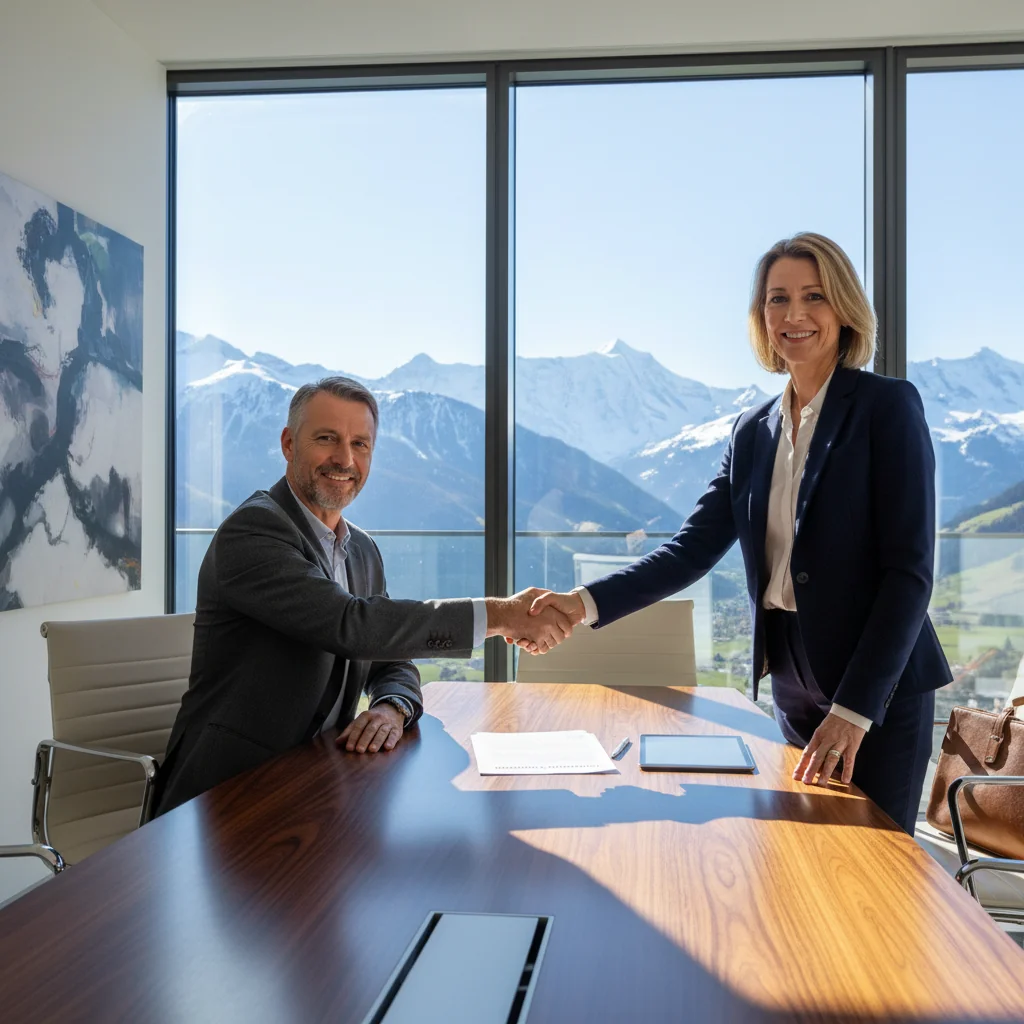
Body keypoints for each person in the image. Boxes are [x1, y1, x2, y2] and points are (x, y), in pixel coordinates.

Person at [525, 233, 952, 834]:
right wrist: (581, 604)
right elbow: (690, 550)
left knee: (878, 875)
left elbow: (909, 573)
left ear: (845, 310)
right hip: (791, 677)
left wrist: (855, 710)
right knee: (799, 858)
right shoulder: (752, 431)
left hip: (877, 688)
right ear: (761, 317)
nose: (794, 315)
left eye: (814, 297)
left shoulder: (886, 407)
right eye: (778, 299)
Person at [154, 376, 571, 814]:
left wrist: (392, 707)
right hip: (223, 799)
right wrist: (500, 614)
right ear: (289, 443)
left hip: (317, 786)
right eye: (326, 439)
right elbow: (351, 625)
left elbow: (390, 656)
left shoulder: (363, 550)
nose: (345, 459)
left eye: (360, 444)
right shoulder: (253, 533)